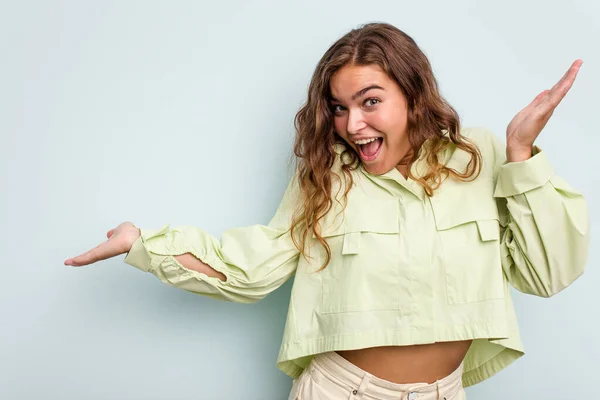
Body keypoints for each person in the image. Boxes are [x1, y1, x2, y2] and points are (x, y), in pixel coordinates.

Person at [64, 23, 589, 400]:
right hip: (342, 392)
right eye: (339, 107)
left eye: (369, 102)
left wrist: (521, 153)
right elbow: (252, 268)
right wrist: (143, 243)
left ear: (412, 94)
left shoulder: (478, 157)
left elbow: (548, 274)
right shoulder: (326, 177)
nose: (352, 125)